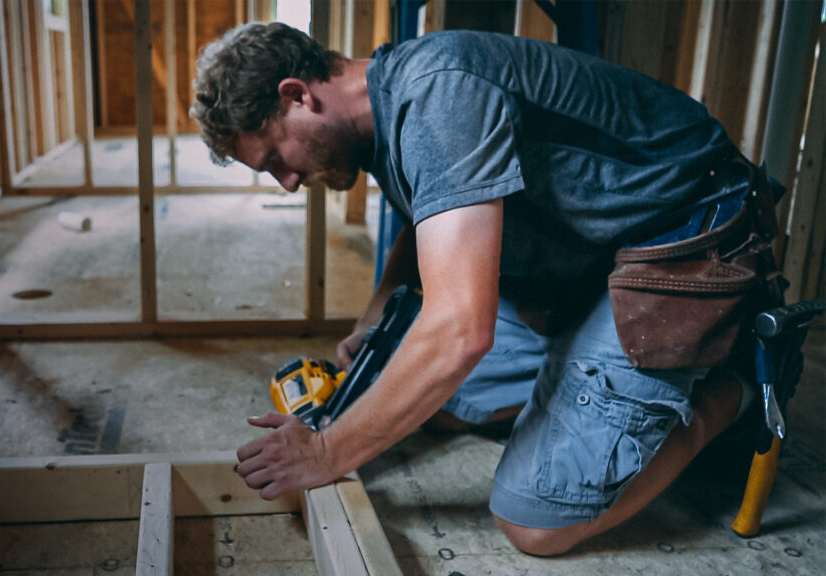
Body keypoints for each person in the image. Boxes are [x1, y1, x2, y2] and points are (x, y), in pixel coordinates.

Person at [190, 22, 773, 555]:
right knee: (423, 395)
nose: (288, 183)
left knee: (539, 520)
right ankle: (594, 383)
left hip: (686, 238)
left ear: (297, 95)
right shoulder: (384, 116)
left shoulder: (437, 96)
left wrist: (325, 452)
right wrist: (374, 318)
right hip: (589, 264)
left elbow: (462, 333)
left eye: (274, 159)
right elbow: (436, 217)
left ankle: (729, 383)